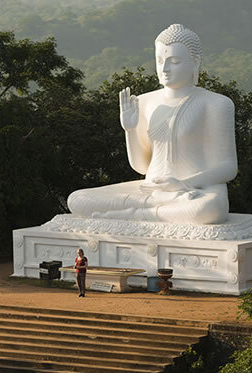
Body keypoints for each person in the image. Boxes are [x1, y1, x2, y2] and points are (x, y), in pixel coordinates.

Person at [66, 24, 237, 225]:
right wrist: (130, 130)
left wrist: (183, 184)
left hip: (195, 190)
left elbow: (228, 167)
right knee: (77, 199)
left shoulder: (216, 103)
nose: (164, 69)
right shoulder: (144, 102)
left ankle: (133, 214)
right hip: (150, 190)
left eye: (174, 61)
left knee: (209, 209)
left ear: (195, 62)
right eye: (159, 61)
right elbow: (141, 166)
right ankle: (151, 211)